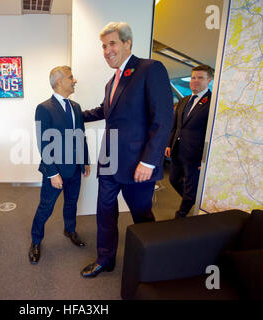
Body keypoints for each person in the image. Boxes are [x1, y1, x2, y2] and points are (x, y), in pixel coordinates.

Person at [80, 22, 173, 277]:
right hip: (109, 160)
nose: (107, 50)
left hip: (137, 164)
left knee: (142, 217)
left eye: (112, 44)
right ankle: (105, 259)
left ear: (127, 43)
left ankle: (153, 260)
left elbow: (163, 119)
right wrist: (72, 112)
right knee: (105, 214)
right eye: (103, 46)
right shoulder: (111, 82)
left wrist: (150, 161)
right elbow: (103, 111)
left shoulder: (150, 69)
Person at [29, 66, 91, 264]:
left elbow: (80, 136)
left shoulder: (76, 107)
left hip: (74, 168)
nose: (75, 80)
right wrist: (52, 172)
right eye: (71, 77)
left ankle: (70, 230)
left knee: (71, 203)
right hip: (56, 171)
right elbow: (43, 142)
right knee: (46, 207)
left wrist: (85, 160)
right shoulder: (44, 108)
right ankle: (36, 241)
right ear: (59, 82)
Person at [165, 65, 214, 219]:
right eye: (193, 77)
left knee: (191, 187)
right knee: (173, 180)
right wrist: (169, 143)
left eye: (200, 78)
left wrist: (205, 158)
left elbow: (211, 132)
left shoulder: (212, 103)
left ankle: (181, 214)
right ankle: (191, 200)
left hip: (195, 154)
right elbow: (176, 125)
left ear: (209, 80)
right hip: (178, 150)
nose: (195, 81)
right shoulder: (184, 100)